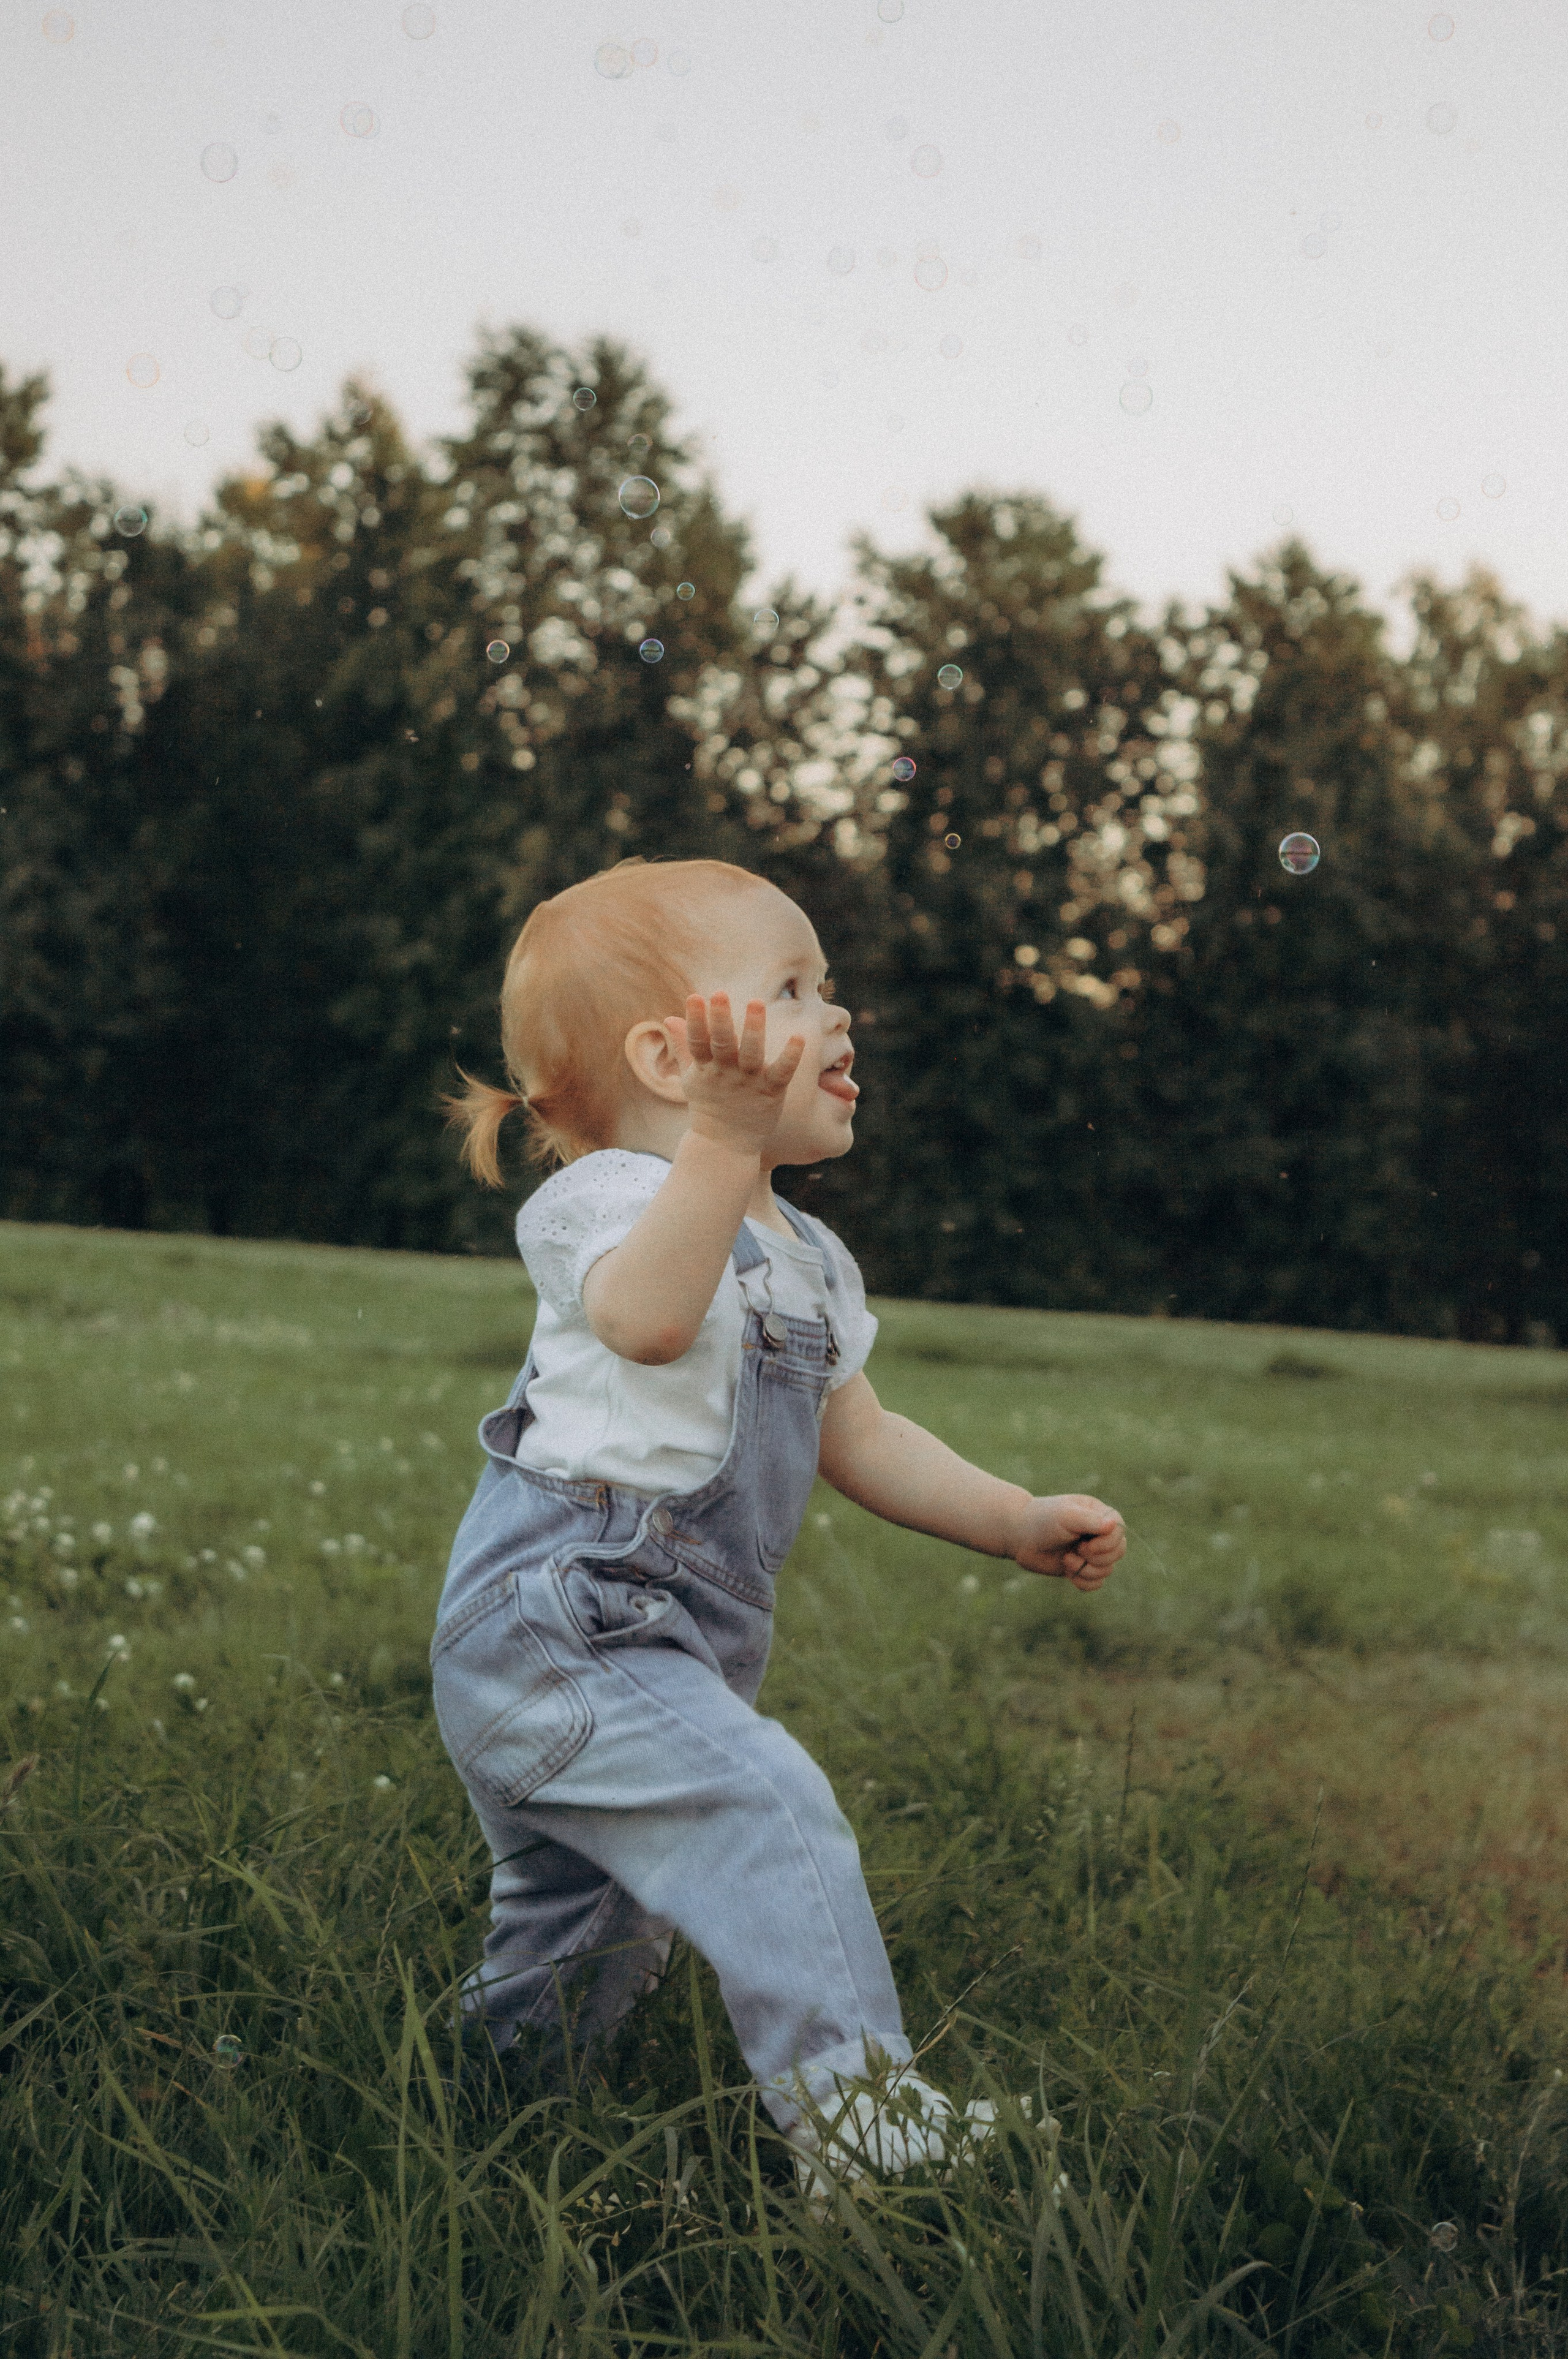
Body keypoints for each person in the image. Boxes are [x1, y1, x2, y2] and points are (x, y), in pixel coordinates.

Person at [432, 855, 1125, 2206]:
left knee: (588, 1944)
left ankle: (479, 2120)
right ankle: (868, 2139)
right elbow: (646, 1318)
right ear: (672, 1055)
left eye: (830, 985)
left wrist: (1011, 1519)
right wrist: (721, 1147)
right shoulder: (604, 1203)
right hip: (561, 1632)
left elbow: (856, 1434)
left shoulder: (805, 1256)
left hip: (659, 1648)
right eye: (793, 989)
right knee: (766, 1806)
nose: (840, 1014)